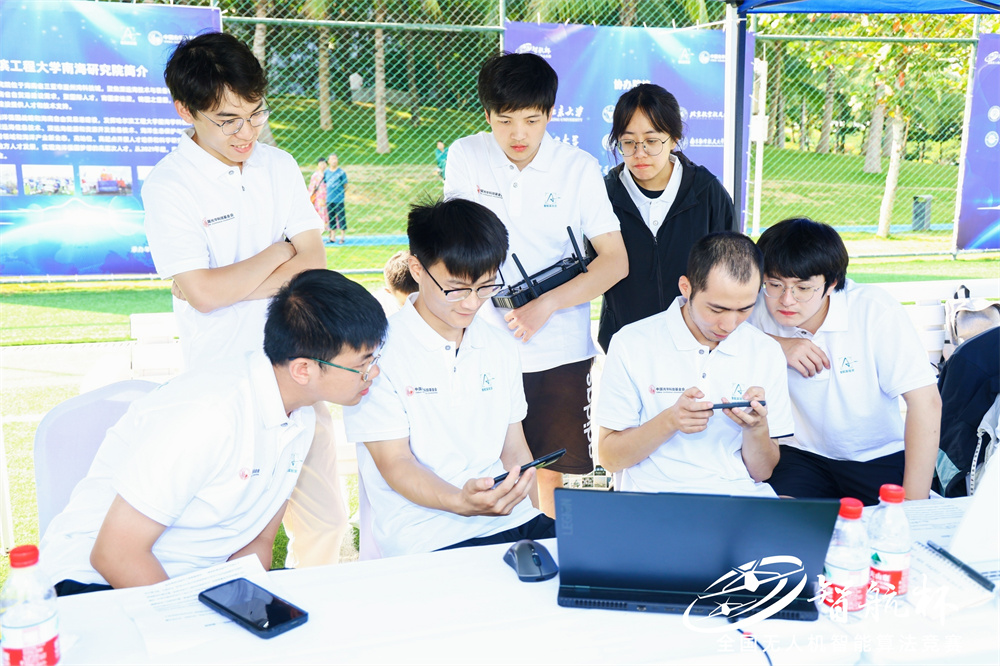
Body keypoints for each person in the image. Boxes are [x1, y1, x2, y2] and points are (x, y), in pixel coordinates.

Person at [40, 270, 387, 595]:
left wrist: (239, 606)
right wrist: (195, 624)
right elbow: (115, 555)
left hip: (192, 585)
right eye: (363, 363)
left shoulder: (301, 413)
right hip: (94, 586)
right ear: (303, 370)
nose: (373, 373)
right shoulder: (209, 416)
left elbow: (258, 542)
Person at [140, 32, 346, 569]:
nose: (246, 133)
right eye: (228, 120)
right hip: (226, 382)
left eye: (255, 114)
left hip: (301, 371)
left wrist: (222, 285)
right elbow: (204, 295)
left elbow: (314, 263)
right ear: (185, 110)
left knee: (326, 524)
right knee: (230, 537)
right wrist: (278, 252)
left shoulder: (278, 165)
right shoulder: (169, 185)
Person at [444, 52, 628, 516]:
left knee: (552, 468)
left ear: (550, 113)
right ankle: (504, 543)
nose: (518, 135)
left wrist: (546, 305)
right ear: (487, 115)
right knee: (488, 463)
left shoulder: (578, 167)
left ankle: (547, 543)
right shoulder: (467, 155)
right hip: (480, 341)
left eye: (531, 120)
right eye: (504, 121)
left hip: (557, 348)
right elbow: (457, 245)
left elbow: (615, 262)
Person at [343, 199, 554, 558]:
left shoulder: (499, 345)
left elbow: (515, 451)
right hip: (426, 533)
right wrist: (461, 501)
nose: (471, 303)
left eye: (486, 287)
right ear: (417, 269)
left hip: (510, 519)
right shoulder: (377, 353)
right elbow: (396, 463)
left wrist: (531, 521)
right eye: (456, 289)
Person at [748, 218, 941, 505]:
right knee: (780, 523)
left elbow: (926, 403)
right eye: (775, 284)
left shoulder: (874, 310)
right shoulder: (757, 305)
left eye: (803, 288)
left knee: (890, 527)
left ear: (832, 283)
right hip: (801, 455)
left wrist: (914, 506)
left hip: (877, 456)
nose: (786, 300)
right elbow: (712, 334)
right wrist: (777, 345)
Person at [595, 232, 793, 497]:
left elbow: (762, 472)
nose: (729, 325)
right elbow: (610, 458)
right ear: (686, 288)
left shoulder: (765, 351)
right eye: (717, 309)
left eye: (745, 309)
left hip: (737, 495)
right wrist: (670, 421)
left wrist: (756, 429)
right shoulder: (632, 343)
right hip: (653, 498)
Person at [598, 83, 736, 353]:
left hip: (698, 345)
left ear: (673, 138)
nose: (639, 153)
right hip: (627, 345)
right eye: (628, 142)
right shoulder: (605, 195)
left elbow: (732, 271)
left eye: (652, 141)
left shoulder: (707, 192)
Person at [374, 249, 419, 316]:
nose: (414, 310)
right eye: (406, 304)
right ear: (389, 292)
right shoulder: (379, 309)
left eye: (420, 303)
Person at [324, 154, 348, 244]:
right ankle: (332, 237)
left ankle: (342, 237)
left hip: (339, 199)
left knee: (341, 218)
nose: (334, 161)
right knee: (331, 218)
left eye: (335, 159)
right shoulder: (326, 172)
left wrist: (341, 194)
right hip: (329, 199)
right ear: (328, 161)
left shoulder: (341, 172)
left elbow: (345, 185)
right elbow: (325, 183)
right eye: (332, 159)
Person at [307, 157, 329, 230]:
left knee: (328, 214)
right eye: (321, 164)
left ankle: (329, 232)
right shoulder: (316, 175)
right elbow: (312, 187)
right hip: (319, 198)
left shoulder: (328, 174)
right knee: (320, 214)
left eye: (324, 164)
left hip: (328, 197)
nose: (323, 165)